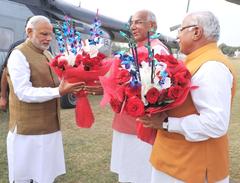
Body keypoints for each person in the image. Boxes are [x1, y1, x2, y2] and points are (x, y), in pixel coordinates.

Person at [138, 11, 236, 183]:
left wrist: (167, 123)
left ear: (196, 32)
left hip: (191, 168)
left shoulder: (211, 66)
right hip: (175, 161)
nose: (177, 36)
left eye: (181, 29)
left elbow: (215, 123)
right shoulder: (196, 60)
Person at [6, 15, 84, 183]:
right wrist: (59, 91)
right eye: (43, 34)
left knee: (45, 175)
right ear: (29, 32)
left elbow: (57, 81)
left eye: (50, 34)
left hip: (50, 128)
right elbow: (23, 92)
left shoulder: (48, 54)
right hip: (28, 132)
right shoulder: (18, 55)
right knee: (25, 176)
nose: (48, 38)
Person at [110, 10, 169, 183]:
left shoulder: (157, 49)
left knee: (139, 173)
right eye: (132, 23)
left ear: (152, 25)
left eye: (138, 22)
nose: (133, 27)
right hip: (126, 121)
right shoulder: (135, 47)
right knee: (128, 171)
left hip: (141, 124)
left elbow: (159, 89)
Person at [0, 39, 25, 111]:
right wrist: (3, 97)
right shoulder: (17, 46)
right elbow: (6, 71)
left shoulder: (46, 47)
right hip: (16, 96)